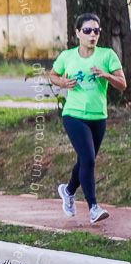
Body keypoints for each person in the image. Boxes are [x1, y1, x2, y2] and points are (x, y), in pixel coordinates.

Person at [49, 13, 127, 223]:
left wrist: (108, 75)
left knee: (85, 160)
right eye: (87, 31)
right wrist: (63, 84)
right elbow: (53, 75)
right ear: (77, 33)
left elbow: (122, 84)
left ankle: (68, 190)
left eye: (96, 31)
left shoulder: (107, 55)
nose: (92, 35)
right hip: (74, 115)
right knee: (89, 159)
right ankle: (93, 207)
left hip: (98, 116)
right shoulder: (68, 56)